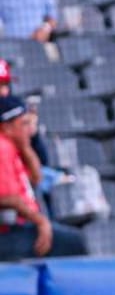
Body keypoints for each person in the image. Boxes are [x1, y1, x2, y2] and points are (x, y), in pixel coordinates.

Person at [0, 96, 84, 262]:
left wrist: (25, 146)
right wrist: (41, 222)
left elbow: (36, 179)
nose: (29, 129)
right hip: (8, 230)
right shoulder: (2, 148)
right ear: (7, 126)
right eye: (23, 123)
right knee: (74, 242)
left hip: (20, 225)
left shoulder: (13, 145)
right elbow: (6, 198)